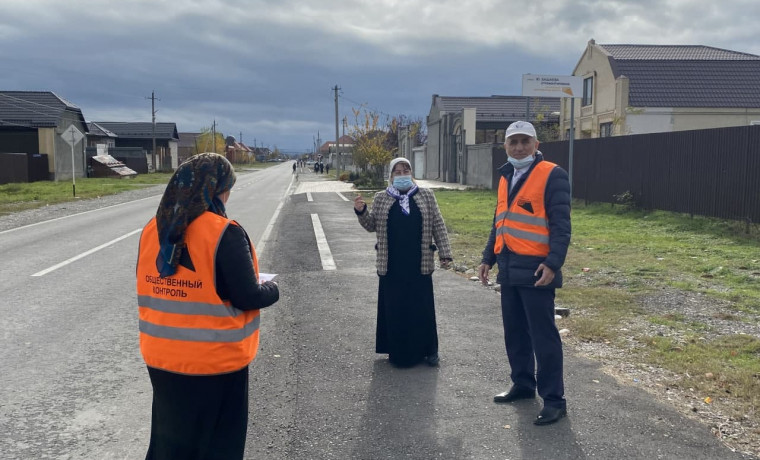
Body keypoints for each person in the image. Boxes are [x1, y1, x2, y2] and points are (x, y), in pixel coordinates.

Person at [136, 153, 280, 459]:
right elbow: (248, 296)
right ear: (215, 189)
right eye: (227, 187)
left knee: (170, 444)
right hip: (214, 364)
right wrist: (273, 289)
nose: (228, 194)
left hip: (162, 360)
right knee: (217, 447)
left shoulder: (153, 230)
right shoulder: (224, 232)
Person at [478, 121, 571, 426]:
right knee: (515, 332)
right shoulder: (506, 176)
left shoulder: (552, 175)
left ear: (536, 144)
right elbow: (500, 221)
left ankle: (554, 400)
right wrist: (487, 258)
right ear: (505, 146)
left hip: (536, 271)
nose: (518, 147)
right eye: (513, 142)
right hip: (508, 267)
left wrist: (553, 262)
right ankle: (522, 384)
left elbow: (561, 226)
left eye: (524, 141)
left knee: (543, 337)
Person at [354, 157, 453, 367]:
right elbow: (372, 226)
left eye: (405, 170)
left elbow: (438, 224)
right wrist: (361, 211)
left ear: (411, 173)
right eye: (397, 172)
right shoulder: (382, 198)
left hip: (420, 262)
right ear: (390, 176)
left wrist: (445, 253)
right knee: (395, 308)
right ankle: (397, 352)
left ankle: (429, 350)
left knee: (422, 308)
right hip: (392, 264)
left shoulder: (426, 195)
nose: (401, 175)